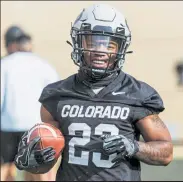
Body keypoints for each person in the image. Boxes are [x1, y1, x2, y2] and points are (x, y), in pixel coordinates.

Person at [14, 4, 173, 181]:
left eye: (110, 44)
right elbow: (45, 166)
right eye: (93, 42)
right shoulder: (56, 96)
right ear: (78, 42)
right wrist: (35, 159)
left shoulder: (136, 94)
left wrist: (134, 147)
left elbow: (166, 152)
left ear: (121, 47)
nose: (100, 50)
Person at [1, 25, 60, 181]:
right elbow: (55, 97)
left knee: (6, 166)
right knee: (41, 168)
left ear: (11, 45)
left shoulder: (4, 64)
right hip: (37, 126)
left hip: (8, 125)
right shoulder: (44, 65)